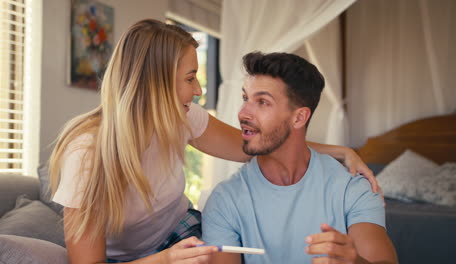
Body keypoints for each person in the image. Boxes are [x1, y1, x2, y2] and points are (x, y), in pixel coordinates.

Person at [48, 19, 379, 264]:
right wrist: (164, 260)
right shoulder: (87, 155)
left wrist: (341, 151)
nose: (198, 91)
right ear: (154, 84)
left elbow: (249, 144)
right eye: (190, 78)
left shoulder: (181, 116)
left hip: (181, 231)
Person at [202, 52, 398, 264]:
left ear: (299, 117)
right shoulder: (225, 199)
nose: (243, 113)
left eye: (262, 102)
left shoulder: (352, 188)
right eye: (245, 98)